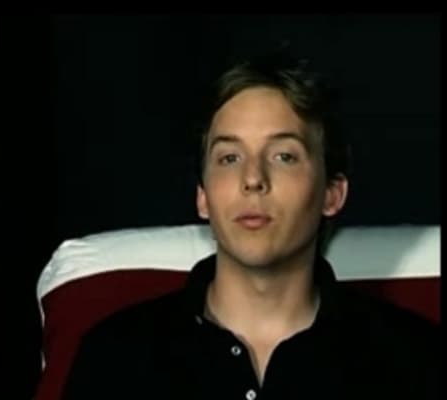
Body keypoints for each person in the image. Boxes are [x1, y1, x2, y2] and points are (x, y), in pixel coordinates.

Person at [61, 49, 439, 399]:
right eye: (229, 158)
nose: (253, 178)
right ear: (203, 196)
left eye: (283, 156)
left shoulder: (417, 362)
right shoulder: (115, 357)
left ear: (332, 194)